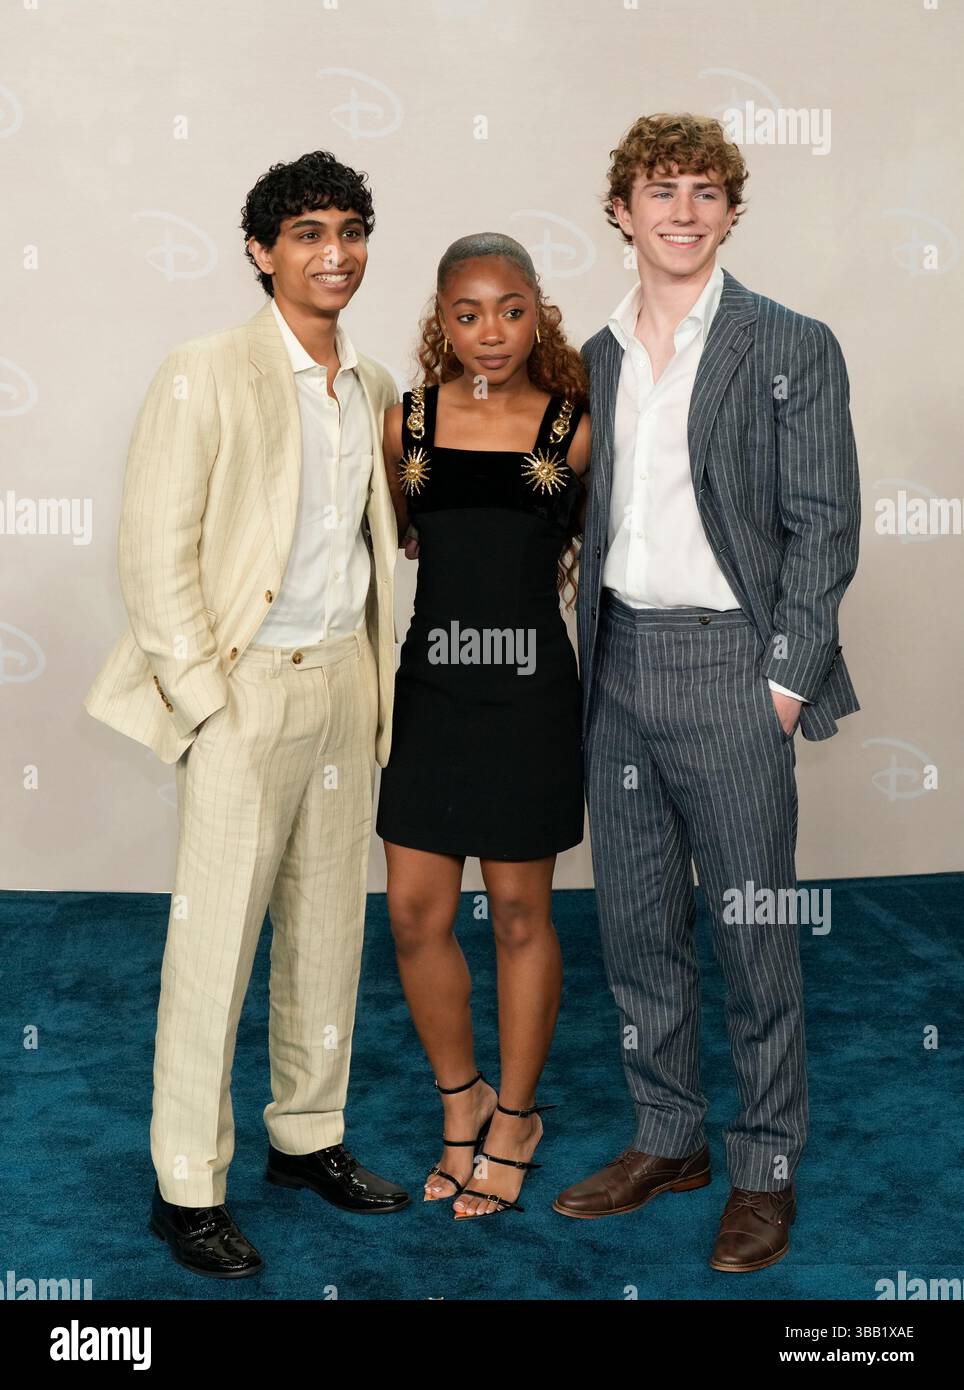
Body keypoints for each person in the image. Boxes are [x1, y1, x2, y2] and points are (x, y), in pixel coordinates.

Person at [84, 151, 410, 1278]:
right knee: (214, 944)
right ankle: (186, 1187)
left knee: (328, 930)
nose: (336, 252)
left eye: (352, 230)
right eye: (309, 232)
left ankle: (306, 1138)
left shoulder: (373, 385)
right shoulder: (204, 370)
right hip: (244, 691)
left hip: (345, 684)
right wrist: (205, 701)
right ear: (262, 252)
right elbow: (153, 548)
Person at [554, 113, 860, 1272]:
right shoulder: (588, 359)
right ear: (620, 211)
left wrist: (782, 681)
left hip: (735, 667)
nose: (681, 212)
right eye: (659, 190)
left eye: (702, 191)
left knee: (752, 931)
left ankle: (764, 1166)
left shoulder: (790, 343)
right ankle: (667, 1136)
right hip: (617, 666)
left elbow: (824, 524)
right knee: (636, 928)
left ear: (729, 211)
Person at [376, 233, 591, 1218]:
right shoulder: (407, 424)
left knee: (516, 914)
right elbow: (396, 540)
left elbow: (604, 551)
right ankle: (458, 1101)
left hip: (528, 698)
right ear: (443, 321)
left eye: (510, 310)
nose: (491, 331)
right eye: (468, 314)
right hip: (433, 692)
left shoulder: (571, 430)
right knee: (414, 913)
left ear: (538, 313)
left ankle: (516, 1117)